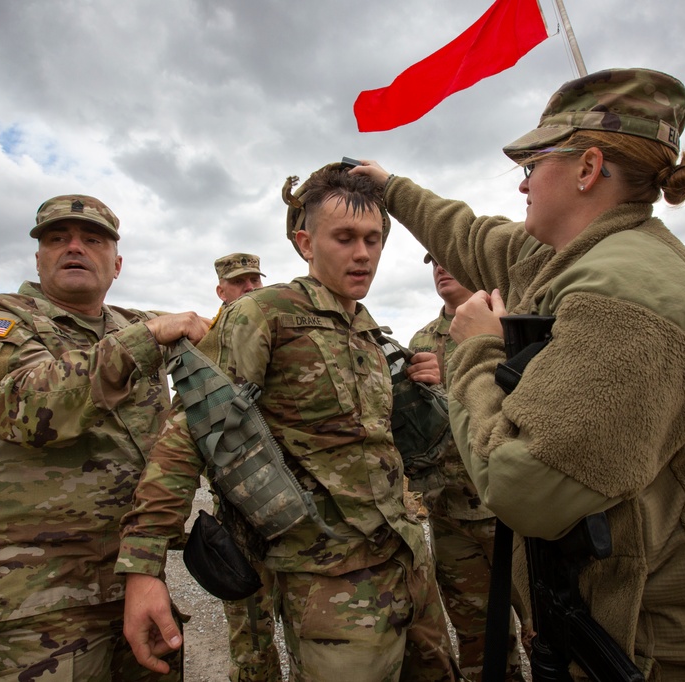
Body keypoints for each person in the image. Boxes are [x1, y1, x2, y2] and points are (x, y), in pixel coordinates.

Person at [352, 68, 685, 680]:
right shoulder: (574, 254)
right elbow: (470, 236)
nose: (522, 187)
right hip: (619, 632)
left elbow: (524, 489)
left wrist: (475, 354)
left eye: (531, 165)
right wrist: (390, 187)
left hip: (674, 654)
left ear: (587, 168)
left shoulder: (627, 301)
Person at [117, 163, 459, 682]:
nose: (362, 253)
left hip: (409, 562)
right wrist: (144, 567)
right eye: (344, 237)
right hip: (330, 586)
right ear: (305, 242)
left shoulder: (367, 329)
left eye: (373, 239)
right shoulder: (264, 314)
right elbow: (189, 433)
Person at [0, 194, 211, 681]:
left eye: (92, 240)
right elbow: (19, 409)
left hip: (138, 577)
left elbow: (237, 346)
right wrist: (147, 340)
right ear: (39, 257)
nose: (74, 247)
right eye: (57, 239)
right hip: (39, 598)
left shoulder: (131, 323)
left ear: (117, 263)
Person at [409, 255, 525, 681]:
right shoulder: (422, 339)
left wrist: (453, 382)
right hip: (451, 515)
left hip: (514, 514)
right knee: (478, 636)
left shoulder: (507, 322)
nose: (440, 267)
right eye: (432, 262)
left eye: (447, 258)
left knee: (546, 628)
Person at [212, 251, 282, 682]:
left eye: (255, 278)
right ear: (221, 291)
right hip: (240, 512)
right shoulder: (204, 342)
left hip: (293, 504)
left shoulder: (275, 328)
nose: (252, 288)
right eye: (240, 282)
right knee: (251, 633)